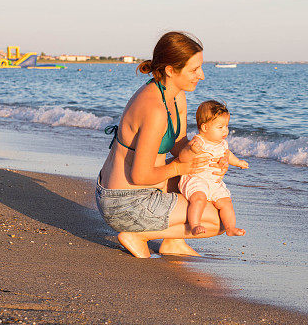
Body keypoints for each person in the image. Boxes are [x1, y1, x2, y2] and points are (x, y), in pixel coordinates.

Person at [96, 31, 226, 258]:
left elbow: (179, 145)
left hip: (146, 187)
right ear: (170, 70)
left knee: (209, 193)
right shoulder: (154, 109)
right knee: (219, 222)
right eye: (194, 70)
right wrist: (180, 168)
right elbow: (140, 175)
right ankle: (138, 236)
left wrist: (206, 159)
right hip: (124, 203)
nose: (202, 75)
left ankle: (173, 242)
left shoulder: (175, 95)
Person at [180, 100, 248, 236]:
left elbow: (227, 155)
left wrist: (238, 162)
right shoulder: (199, 141)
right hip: (197, 179)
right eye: (220, 127)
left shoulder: (222, 144)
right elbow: (182, 156)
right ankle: (195, 225)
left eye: (226, 126)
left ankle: (230, 228)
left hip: (214, 182)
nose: (226, 131)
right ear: (205, 128)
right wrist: (191, 150)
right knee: (199, 199)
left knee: (226, 202)